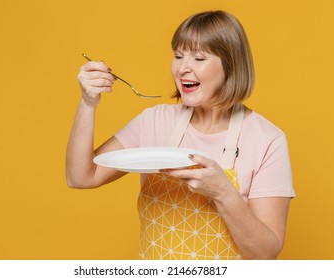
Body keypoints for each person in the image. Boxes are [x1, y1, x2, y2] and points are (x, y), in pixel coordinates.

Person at [66, 10, 295, 260]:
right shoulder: (154, 121)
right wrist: (88, 103)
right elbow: (81, 177)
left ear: (231, 66)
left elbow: (265, 254)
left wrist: (223, 192)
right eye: (178, 55)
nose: (183, 68)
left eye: (199, 58)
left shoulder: (267, 140)